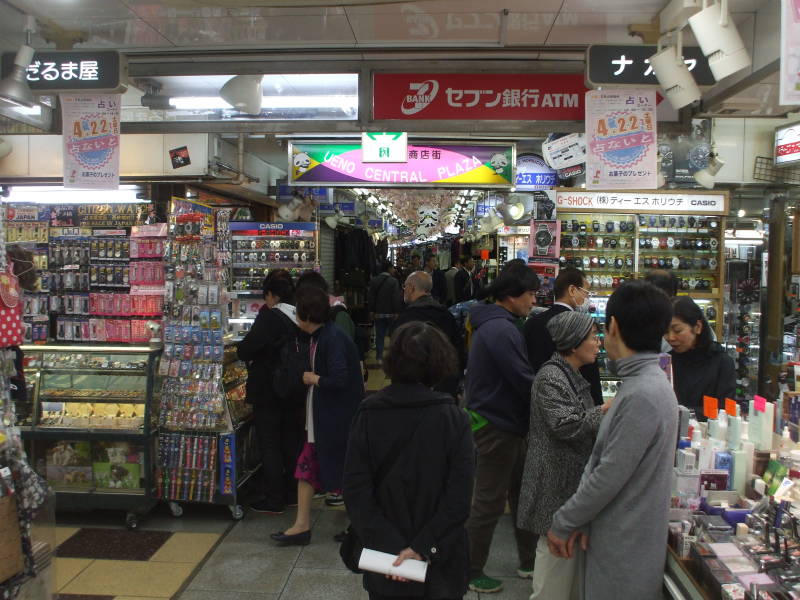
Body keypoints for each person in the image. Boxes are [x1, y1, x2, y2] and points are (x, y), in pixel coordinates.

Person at [547, 280, 677, 600]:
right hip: (620, 540)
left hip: (625, 550)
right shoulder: (644, 385)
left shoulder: (642, 394)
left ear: (614, 326)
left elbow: (609, 473)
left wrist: (565, 520)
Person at [343, 322, 475, 600]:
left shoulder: (368, 414)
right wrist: (422, 547)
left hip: (384, 561)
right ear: (440, 363)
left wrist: (391, 547)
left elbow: (356, 491)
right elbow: (459, 498)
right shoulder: (454, 419)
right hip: (441, 563)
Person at [518, 311, 609, 600]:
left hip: (565, 482)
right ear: (573, 344)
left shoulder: (570, 374)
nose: (598, 343)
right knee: (553, 569)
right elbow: (566, 425)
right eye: (593, 337)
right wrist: (605, 411)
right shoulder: (551, 376)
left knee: (563, 567)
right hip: (554, 483)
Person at [464, 265, 539, 594]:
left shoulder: (497, 323)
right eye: (531, 294)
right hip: (497, 424)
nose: (534, 301)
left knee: (521, 492)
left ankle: (529, 560)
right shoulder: (501, 330)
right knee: (489, 500)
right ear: (511, 296)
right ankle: (469, 568)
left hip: (504, 421)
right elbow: (522, 379)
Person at [271, 286, 363, 546]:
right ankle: (302, 525)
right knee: (307, 467)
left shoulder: (331, 338)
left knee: (346, 472)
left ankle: (359, 526)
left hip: (335, 420)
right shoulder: (323, 336)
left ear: (307, 316)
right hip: (324, 419)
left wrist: (313, 378)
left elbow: (340, 378)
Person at [237, 271, 304, 514]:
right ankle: (292, 493)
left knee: (270, 443)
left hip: (269, 390)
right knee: (290, 441)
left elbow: (246, 349)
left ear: (272, 295)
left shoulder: (270, 317)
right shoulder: (299, 315)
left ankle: (274, 498)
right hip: (293, 389)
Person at [523, 268, 603, 405]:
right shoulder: (581, 326)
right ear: (572, 290)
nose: (587, 298)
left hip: (535, 400)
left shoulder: (531, 323)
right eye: (585, 292)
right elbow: (590, 374)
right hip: (575, 403)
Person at [391, 271, 464, 396]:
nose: (404, 290)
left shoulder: (406, 318)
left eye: (405, 286)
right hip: (443, 390)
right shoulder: (446, 315)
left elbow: (395, 358)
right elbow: (459, 353)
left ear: (411, 288)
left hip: (410, 392)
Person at [666, 296, 735, 415]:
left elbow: (726, 409)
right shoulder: (667, 362)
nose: (670, 338)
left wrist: (685, 413)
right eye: (665, 331)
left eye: (677, 330)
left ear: (697, 327)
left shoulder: (721, 362)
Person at [368, 260, 403, 363]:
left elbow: (371, 297)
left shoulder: (374, 281)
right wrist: (397, 311)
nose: (393, 270)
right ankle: (392, 356)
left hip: (378, 313)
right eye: (392, 268)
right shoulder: (393, 281)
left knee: (380, 335)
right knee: (393, 335)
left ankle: (379, 357)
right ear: (388, 269)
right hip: (391, 314)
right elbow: (395, 298)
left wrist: (371, 311)